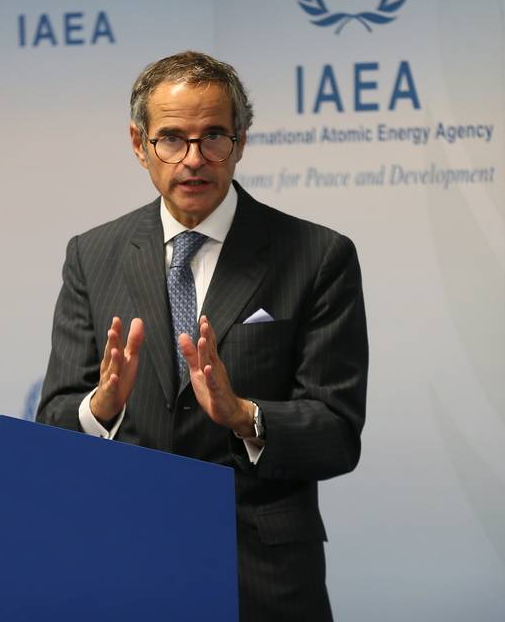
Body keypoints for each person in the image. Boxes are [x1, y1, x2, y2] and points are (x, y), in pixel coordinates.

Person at [36, 51, 368, 622]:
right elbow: (54, 419)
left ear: (240, 142)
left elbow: (337, 432)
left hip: (263, 576)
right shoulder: (93, 256)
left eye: (213, 137)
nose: (194, 160)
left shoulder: (317, 257)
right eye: (171, 139)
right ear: (139, 145)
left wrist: (244, 415)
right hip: (129, 567)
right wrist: (100, 409)